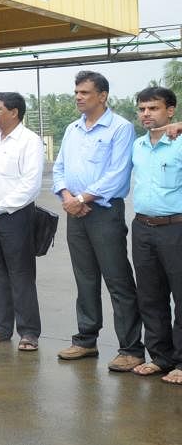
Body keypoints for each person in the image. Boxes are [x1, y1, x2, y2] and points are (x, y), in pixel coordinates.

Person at [52, 70, 144, 371]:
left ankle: (131, 349)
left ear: (102, 96)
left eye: (85, 92)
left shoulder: (120, 128)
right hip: (76, 213)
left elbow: (117, 174)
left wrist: (81, 200)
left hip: (103, 213)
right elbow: (59, 167)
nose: (78, 97)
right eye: (76, 92)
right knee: (85, 279)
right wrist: (68, 197)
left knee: (118, 281)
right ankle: (85, 340)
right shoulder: (72, 129)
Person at [0, 92, 45, 351]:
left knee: (21, 274)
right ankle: (0, 327)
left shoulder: (30, 142)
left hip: (15, 217)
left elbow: (30, 187)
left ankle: (28, 332)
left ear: (14, 112)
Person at [128, 87, 182, 385]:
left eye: (154, 108)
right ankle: (160, 357)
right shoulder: (138, 145)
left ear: (170, 110)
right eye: (142, 109)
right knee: (150, 296)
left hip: (176, 227)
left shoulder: (180, 142)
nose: (146, 114)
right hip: (143, 228)